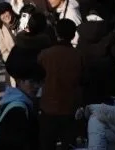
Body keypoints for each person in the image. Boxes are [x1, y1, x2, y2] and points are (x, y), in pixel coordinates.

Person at [37, 18, 84, 150]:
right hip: (69, 107)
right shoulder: (77, 55)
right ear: (74, 35)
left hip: (48, 106)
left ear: (57, 33)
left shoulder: (45, 55)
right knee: (68, 144)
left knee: (47, 144)